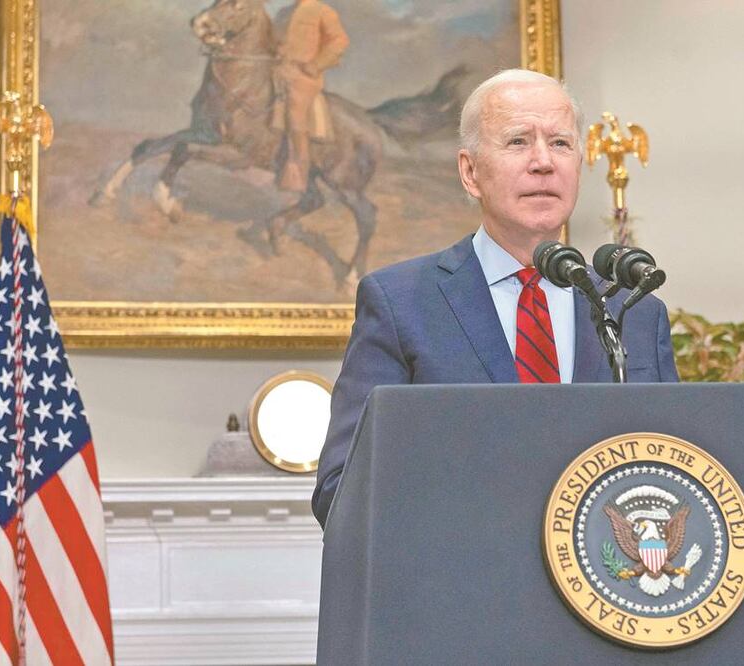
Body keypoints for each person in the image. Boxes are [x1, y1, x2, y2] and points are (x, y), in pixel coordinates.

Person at [311, 69, 680, 528]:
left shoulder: (636, 310)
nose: (544, 162)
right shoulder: (400, 303)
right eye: (518, 142)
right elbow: (342, 487)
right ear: (470, 172)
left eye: (561, 143)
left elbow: (670, 475)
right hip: (461, 581)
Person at [274, 0, 350, 192]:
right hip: (277, 70)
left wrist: (316, 65)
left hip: (304, 75)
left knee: (294, 110)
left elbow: (339, 41)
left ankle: (297, 172)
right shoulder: (283, 13)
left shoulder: (323, 11)